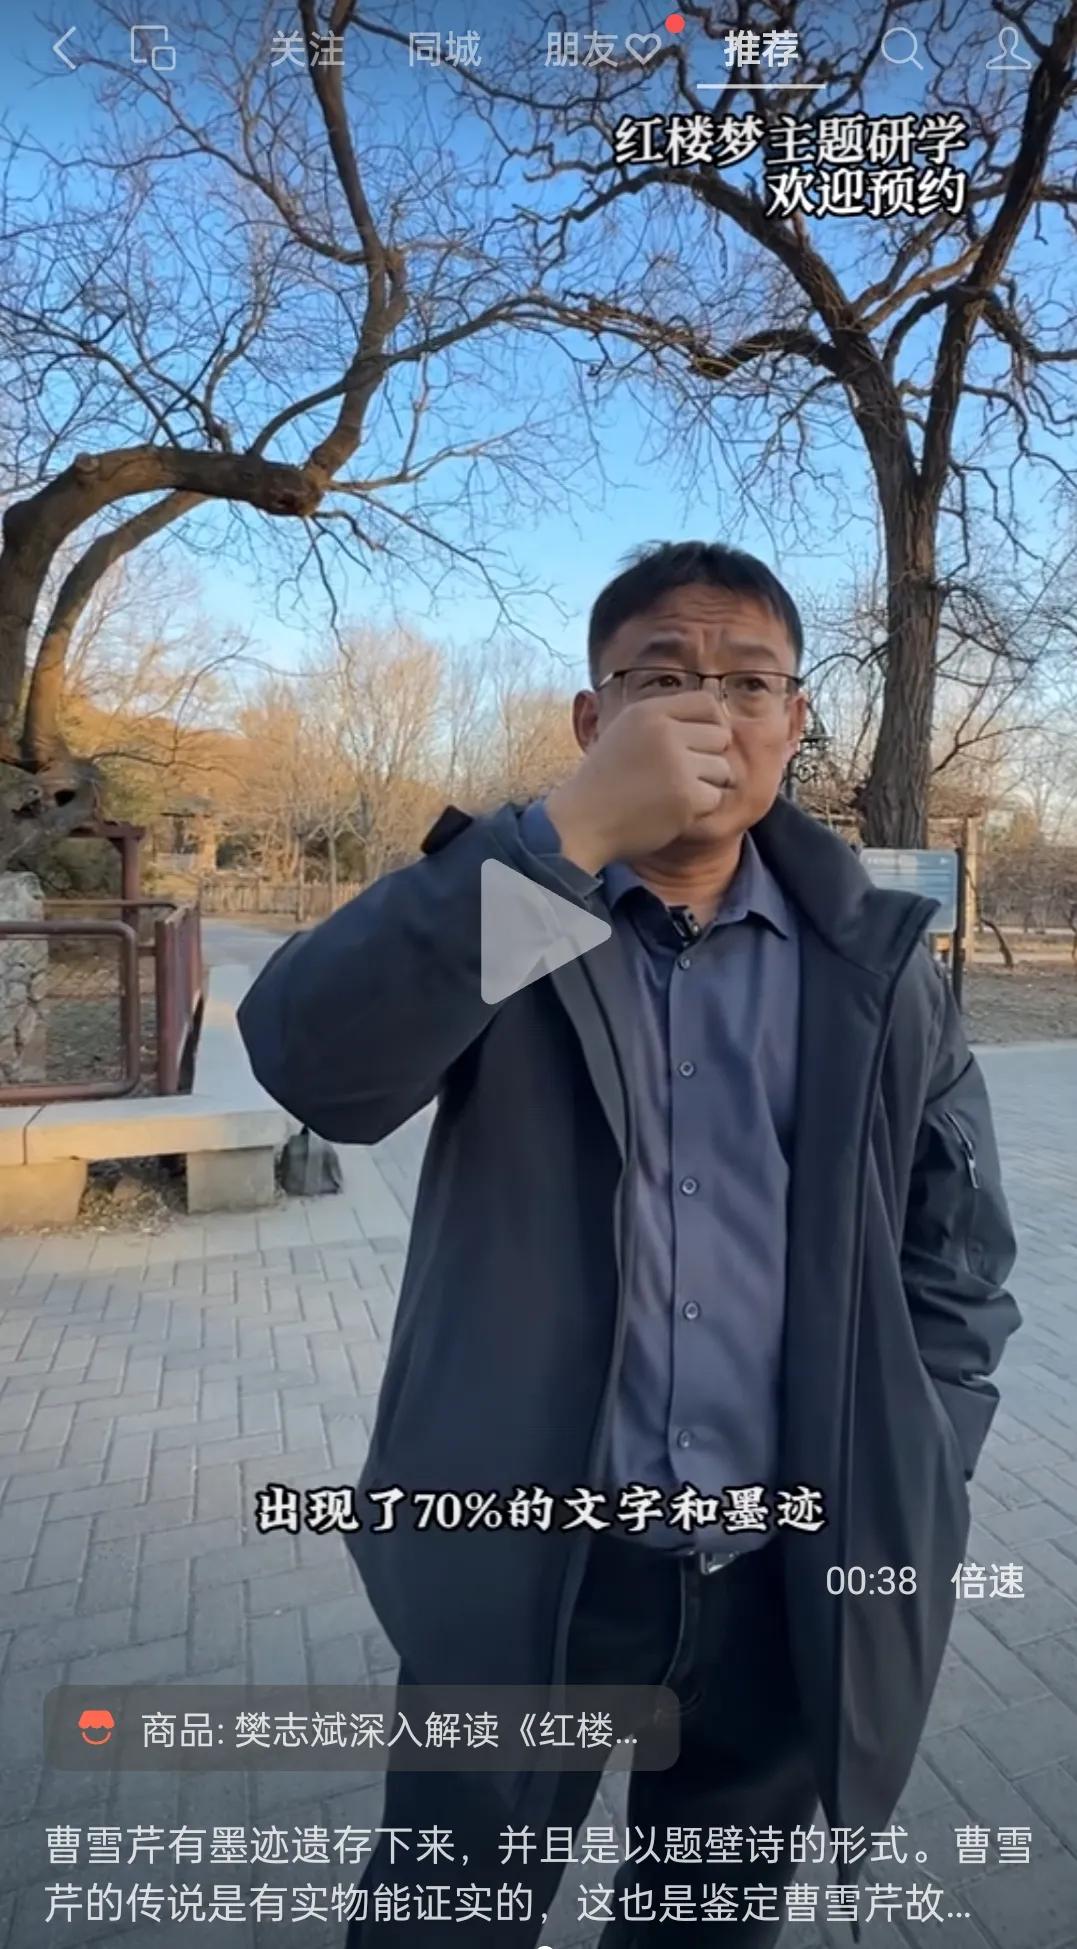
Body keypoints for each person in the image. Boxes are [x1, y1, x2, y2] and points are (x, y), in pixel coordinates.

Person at [238, 541, 1020, 1946]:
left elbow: (954, 1258)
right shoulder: (521, 915)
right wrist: (561, 840)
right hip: (536, 1564)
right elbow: (318, 1068)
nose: (710, 710)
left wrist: (919, 1458)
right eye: (662, 679)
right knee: (444, 1914)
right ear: (593, 720)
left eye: (749, 683)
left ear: (795, 722)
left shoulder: (873, 963)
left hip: (783, 1572)